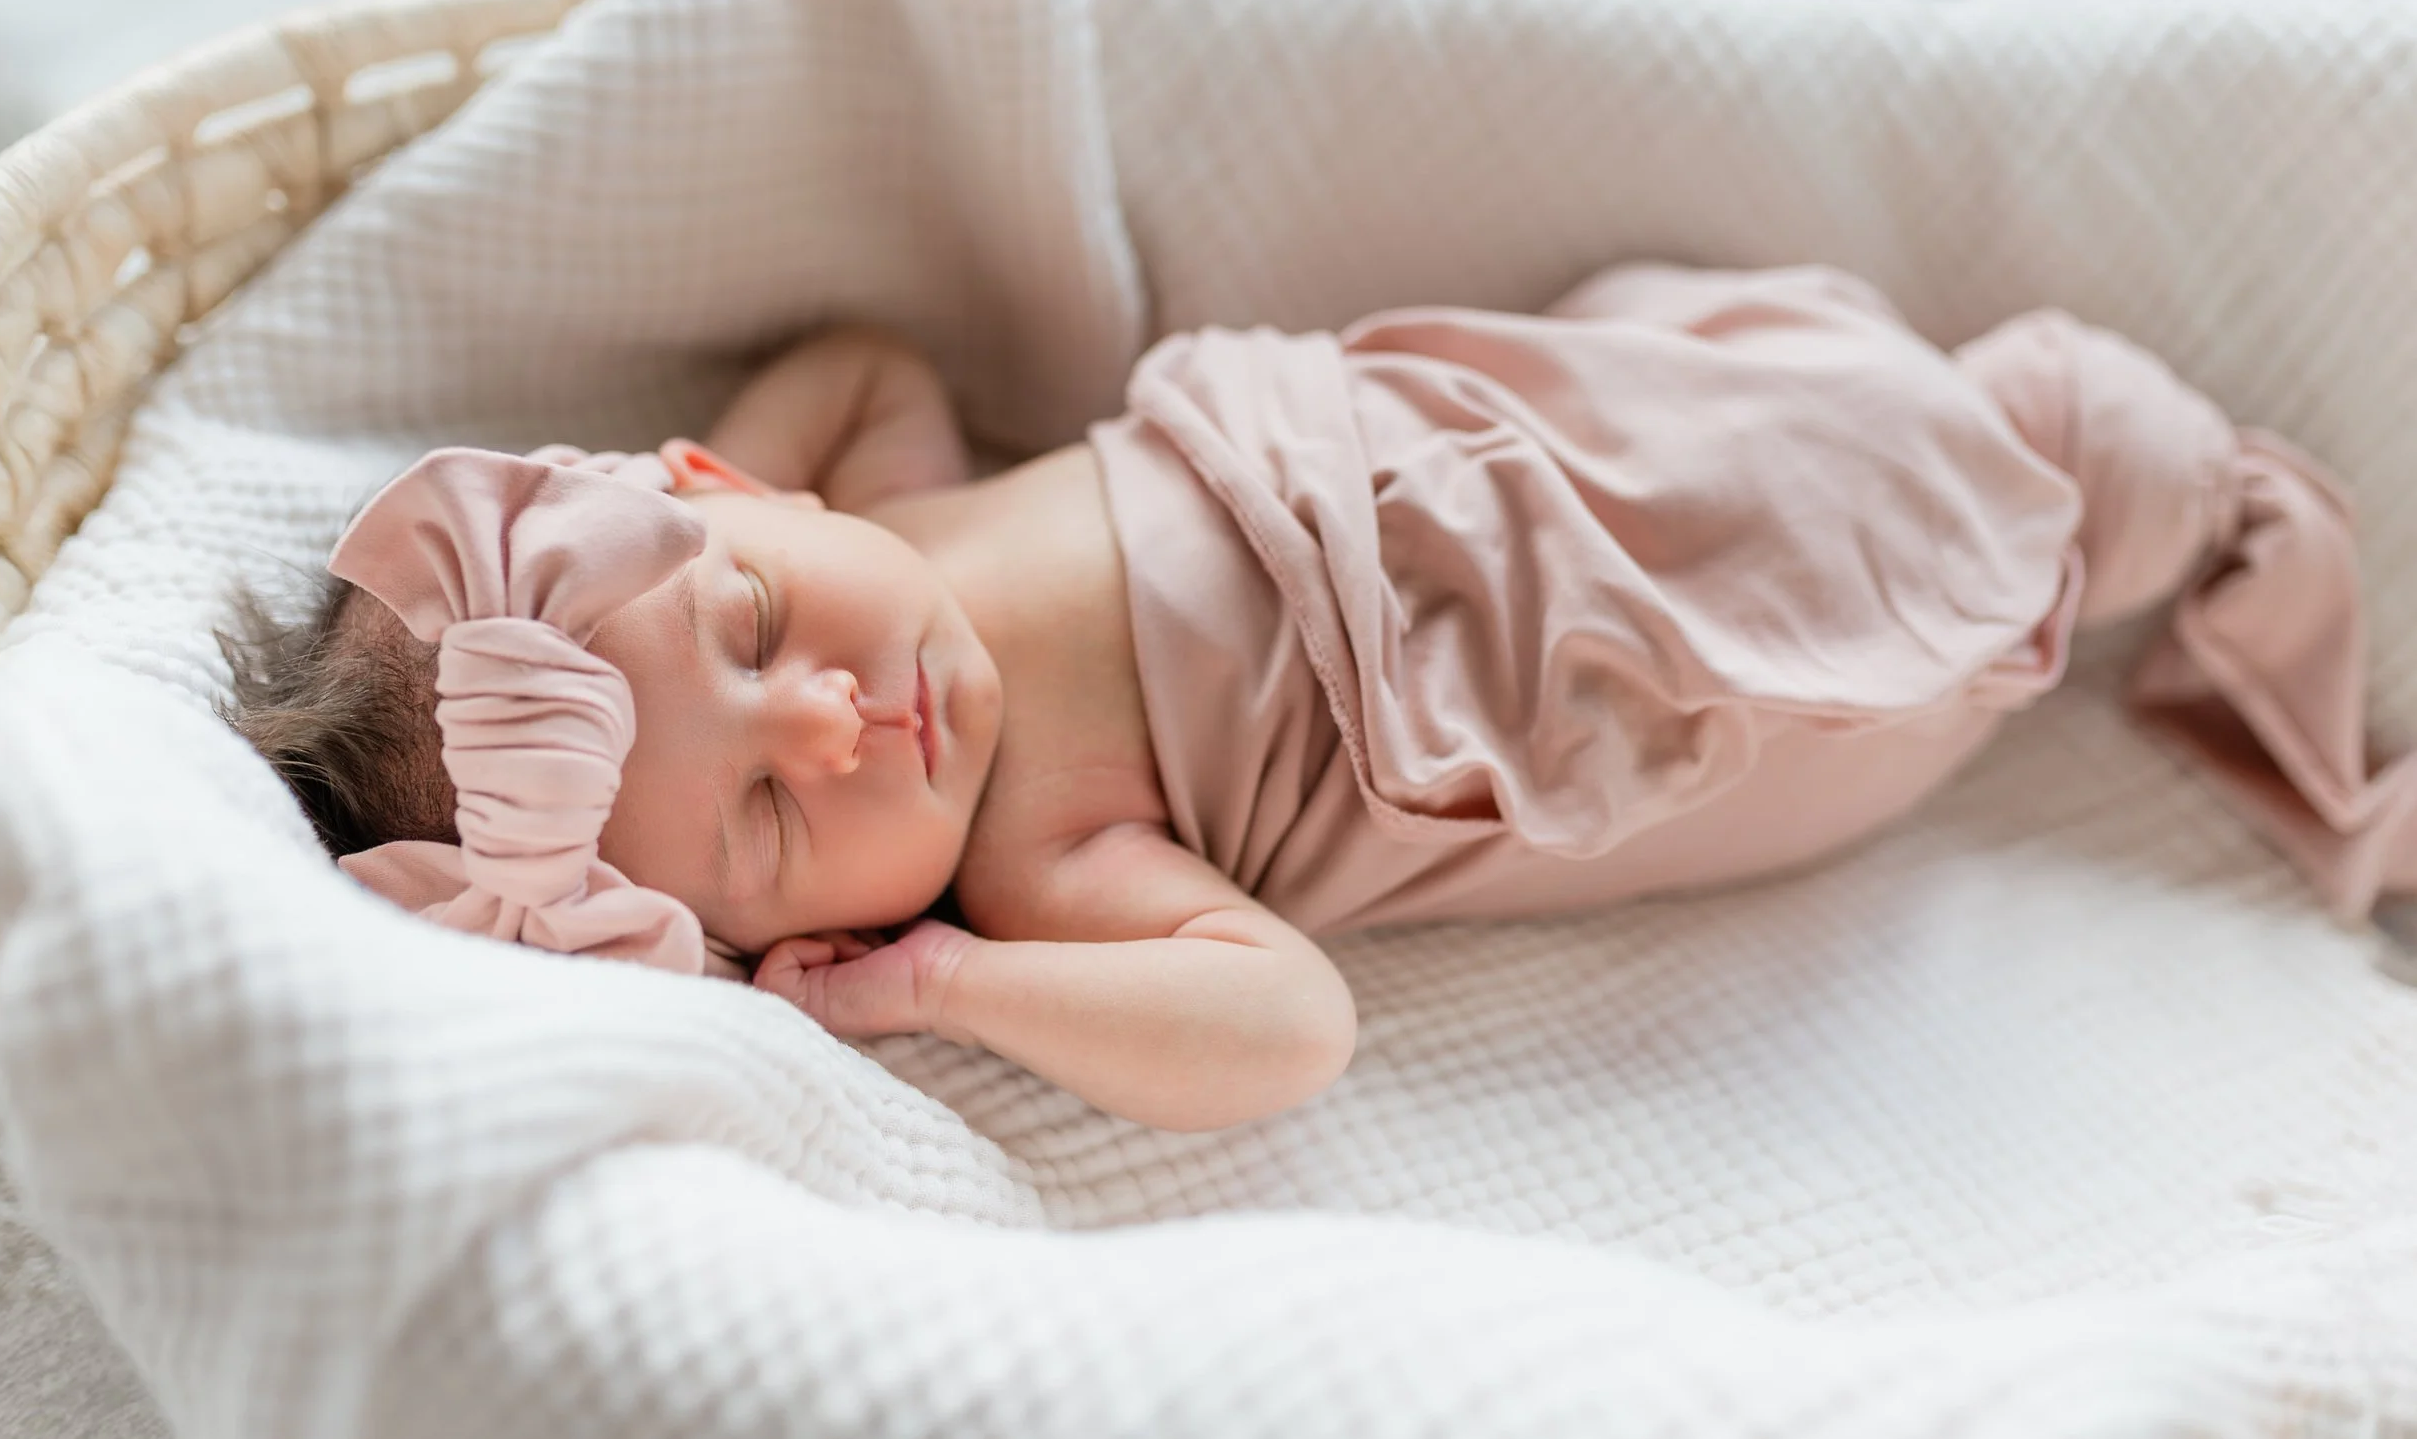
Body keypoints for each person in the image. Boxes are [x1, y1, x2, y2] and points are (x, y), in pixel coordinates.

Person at [222, 263, 2417, 1131]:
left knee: (1793, 391)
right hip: (1610, 656)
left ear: (718, 489)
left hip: (1566, 427)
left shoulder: (897, 492)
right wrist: (941, 985)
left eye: (760, 627)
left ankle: (2069, 458)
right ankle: (2127, 517)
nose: (842, 719)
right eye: (776, 826)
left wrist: (731, 490)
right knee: (1916, 562)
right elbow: (1286, 1024)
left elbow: (860, 362)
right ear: (771, 934)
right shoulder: (1045, 848)